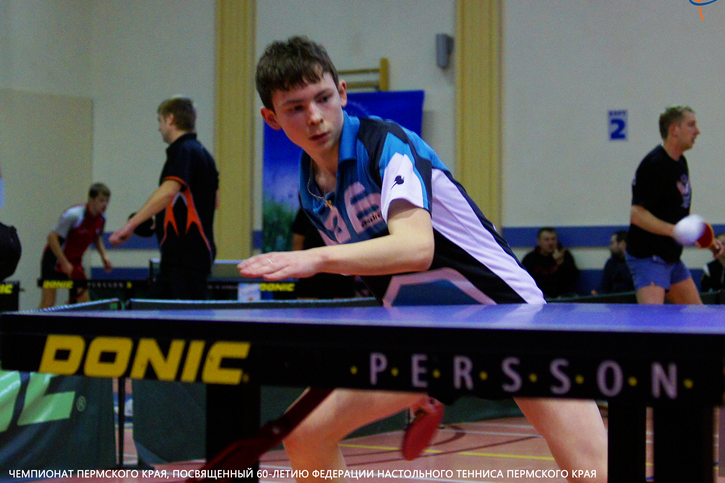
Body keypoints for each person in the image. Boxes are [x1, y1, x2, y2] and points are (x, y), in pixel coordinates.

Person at [238, 36, 607, 483]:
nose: (314, 116)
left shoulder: (386, 144)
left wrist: (315, 259)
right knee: (303, 432)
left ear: (343, 93)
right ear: (271, 118)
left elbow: (415, 249)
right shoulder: (311, 191)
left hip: (510, 319)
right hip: (430, 343)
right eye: (295, 108)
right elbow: (381, 277)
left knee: (593, 471)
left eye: (323, 98)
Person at [109, 97, 219, 300]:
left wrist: (130, 225)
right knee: (154, 311)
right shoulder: (204, 154)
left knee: (185, 318)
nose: (159, 128)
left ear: (170, 119)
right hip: (181, 259)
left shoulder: (183, 150)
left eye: (159, 121)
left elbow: (169, 191)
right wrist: (158, 223)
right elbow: (212, 202)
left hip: (185, 259)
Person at [626, 106, 720, 305]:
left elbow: (680, 211)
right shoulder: (654, 164)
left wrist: (706, 239)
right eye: (691, 125)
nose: (697, 131)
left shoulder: (680, 162)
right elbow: (637, 214)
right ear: (674, 130)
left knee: (697, 316)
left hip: (671, 257)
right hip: (649, 257)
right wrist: (674, 231)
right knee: (653, 320)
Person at [39, 182, 112, 308]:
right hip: (54, 261)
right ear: (91, 200)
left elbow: (96, 236)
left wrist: (104, 256)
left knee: (84, 302)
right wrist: (63, 262)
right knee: (48, 304)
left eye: (107, 201)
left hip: (75, 263)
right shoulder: (74, 215)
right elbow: (52, 238)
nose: (105, 204)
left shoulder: (102, 219)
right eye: (101, 200)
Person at [290, 208, 356, 299]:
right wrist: (296, 266)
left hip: (341, 265)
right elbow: (298, 240)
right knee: (307, 301)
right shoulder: (307, 206)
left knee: (343, 303)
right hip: (311, 267)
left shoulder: (347, 206)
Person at [521, 227, 580, 299]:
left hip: (563, 297)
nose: (551, 243)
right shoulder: (530, 259)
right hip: (538, 297)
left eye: (553, 239)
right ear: (539, 241)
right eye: (547, 240)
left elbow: (573, 278)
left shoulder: (564, 255)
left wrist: (560, 263)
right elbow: (524, 281)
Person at [594, 230, 634, 295]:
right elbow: (603, 286)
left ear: (622, 244)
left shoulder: (636, 262)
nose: (610, 247)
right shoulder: (611, 263)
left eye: (612, 243)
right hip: (612, 299)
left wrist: (625, 254)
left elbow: (631, 283)